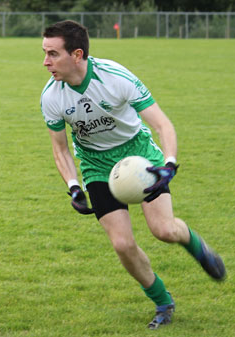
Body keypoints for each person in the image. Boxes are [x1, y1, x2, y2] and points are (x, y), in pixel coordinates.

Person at [40, 20, 225, 329]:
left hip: (138, 156)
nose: (45, 62)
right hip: (97, 166)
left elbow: (162, 124)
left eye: (52, 54)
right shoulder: (52, 96)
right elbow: (60, 150)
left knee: (164, 230)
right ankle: (163, 301)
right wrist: (73, 187)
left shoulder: (114, 77)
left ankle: (196, 246)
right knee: (122, 245)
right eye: (44, 53)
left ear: (76, 54)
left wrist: (169, 163)